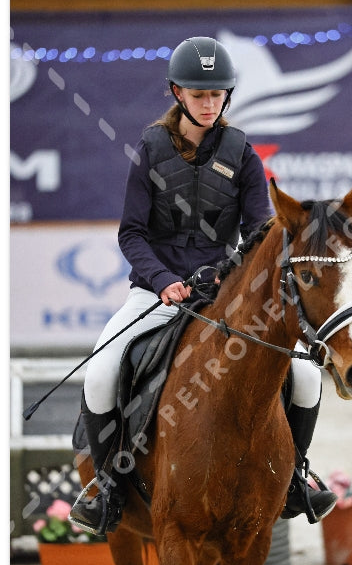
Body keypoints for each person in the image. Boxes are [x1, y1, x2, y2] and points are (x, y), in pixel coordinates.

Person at [69, 36, 337, 536]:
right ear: (177, 93)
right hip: (155, 292)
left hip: (223, 297)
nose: (208, 103)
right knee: (101, 374)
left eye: (217, 95)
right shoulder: (150, 150)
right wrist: (164, 280)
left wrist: (229, 271)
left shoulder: (242, 155)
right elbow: (131, 233)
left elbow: (262, 233)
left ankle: (295, 477)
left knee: (306, 376)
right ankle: (105, 487)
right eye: (198, 95)